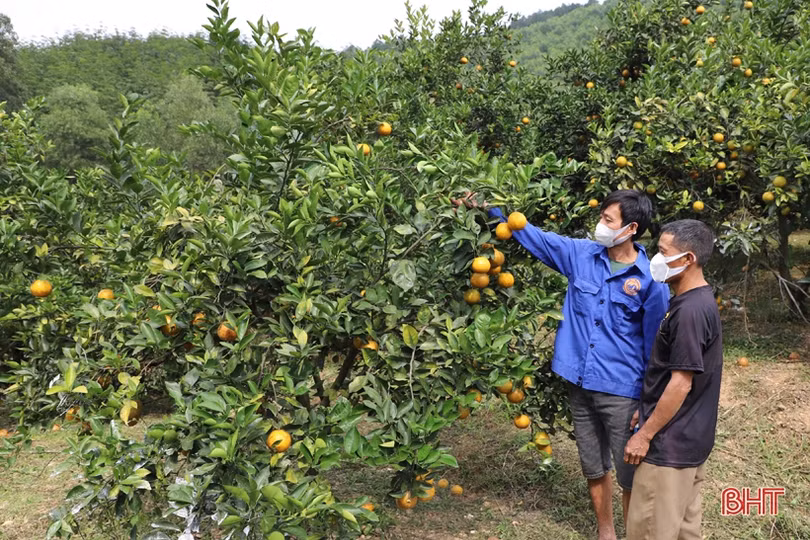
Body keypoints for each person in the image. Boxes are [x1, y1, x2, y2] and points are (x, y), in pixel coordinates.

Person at [454, 190, 670, 540]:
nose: (600, 224)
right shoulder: (581, 255)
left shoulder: (649, 281)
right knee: (593, 465)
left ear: (631, 228)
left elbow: (656, 348)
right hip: (579, 382)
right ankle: (606, 532)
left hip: (622, 390)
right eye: (601, 216)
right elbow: (532, 235)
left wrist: (647, 403)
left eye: (608, 220)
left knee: (632, 475)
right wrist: (486, 204)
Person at [624, 219, 723, 540]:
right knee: (683, 532)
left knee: (649, 530)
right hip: (690, 443)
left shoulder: (689, 312)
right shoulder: (698, 301)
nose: (656, 258)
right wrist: (649, 406)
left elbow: (681, 383)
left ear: (688, 259)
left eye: (663, 252)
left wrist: (645, 434)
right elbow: (673, 374)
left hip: (668, 449)